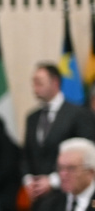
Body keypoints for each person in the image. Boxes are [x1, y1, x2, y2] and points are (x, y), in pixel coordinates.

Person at [21, 63, 95, 202]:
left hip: (69, 194)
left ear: (55, 82)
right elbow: (26, 154)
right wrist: (28, 179)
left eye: (39, 82)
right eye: (33, 82)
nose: (34, 87)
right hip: (38, 197)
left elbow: (88, 154)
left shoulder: (78, 114)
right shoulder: (32, 117)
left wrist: (53, 181)